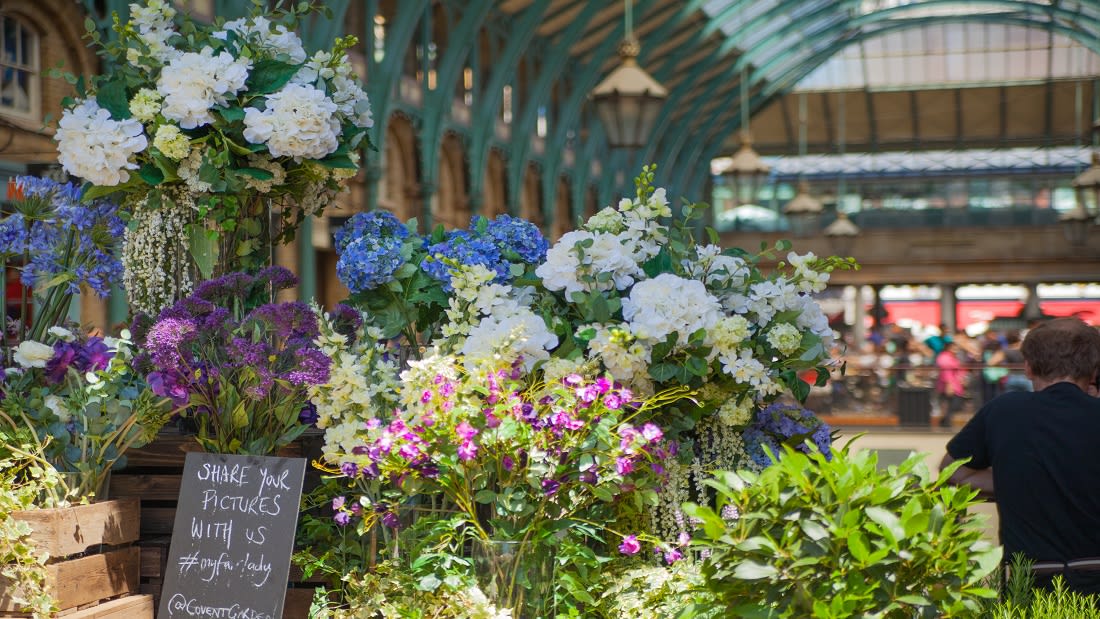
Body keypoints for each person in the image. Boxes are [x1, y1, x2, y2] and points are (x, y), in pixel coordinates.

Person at [940, 318, 1100, 595]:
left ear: (1028, 367)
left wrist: (1014, 479)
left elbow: (953, 471)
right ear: (1094, 369)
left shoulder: (1003, 411)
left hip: (1027, 584)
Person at [934, 340, 967, 428]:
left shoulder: (954, 357)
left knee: (955, 405)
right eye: (953, 347)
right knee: (950, 405)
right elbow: (946, 372)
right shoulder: (944, 357)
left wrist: (963, 379)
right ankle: (945, 422)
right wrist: (949, 385)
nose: (956, 349)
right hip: (948, 386)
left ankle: (945, 421)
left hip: (956, 386)